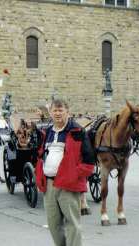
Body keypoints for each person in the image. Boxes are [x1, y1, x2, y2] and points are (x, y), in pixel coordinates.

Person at [35, 98, 95, 246]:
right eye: (55, 110)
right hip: (49, 184)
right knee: (53, 225)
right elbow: (41, 155)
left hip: (68, 185)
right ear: (50, 112)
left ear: (67, 112)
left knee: (72, 224)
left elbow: (89, 161)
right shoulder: (47, 132)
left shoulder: (77, 131)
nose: (57, 113)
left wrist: (73, 175)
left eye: (61, 110)